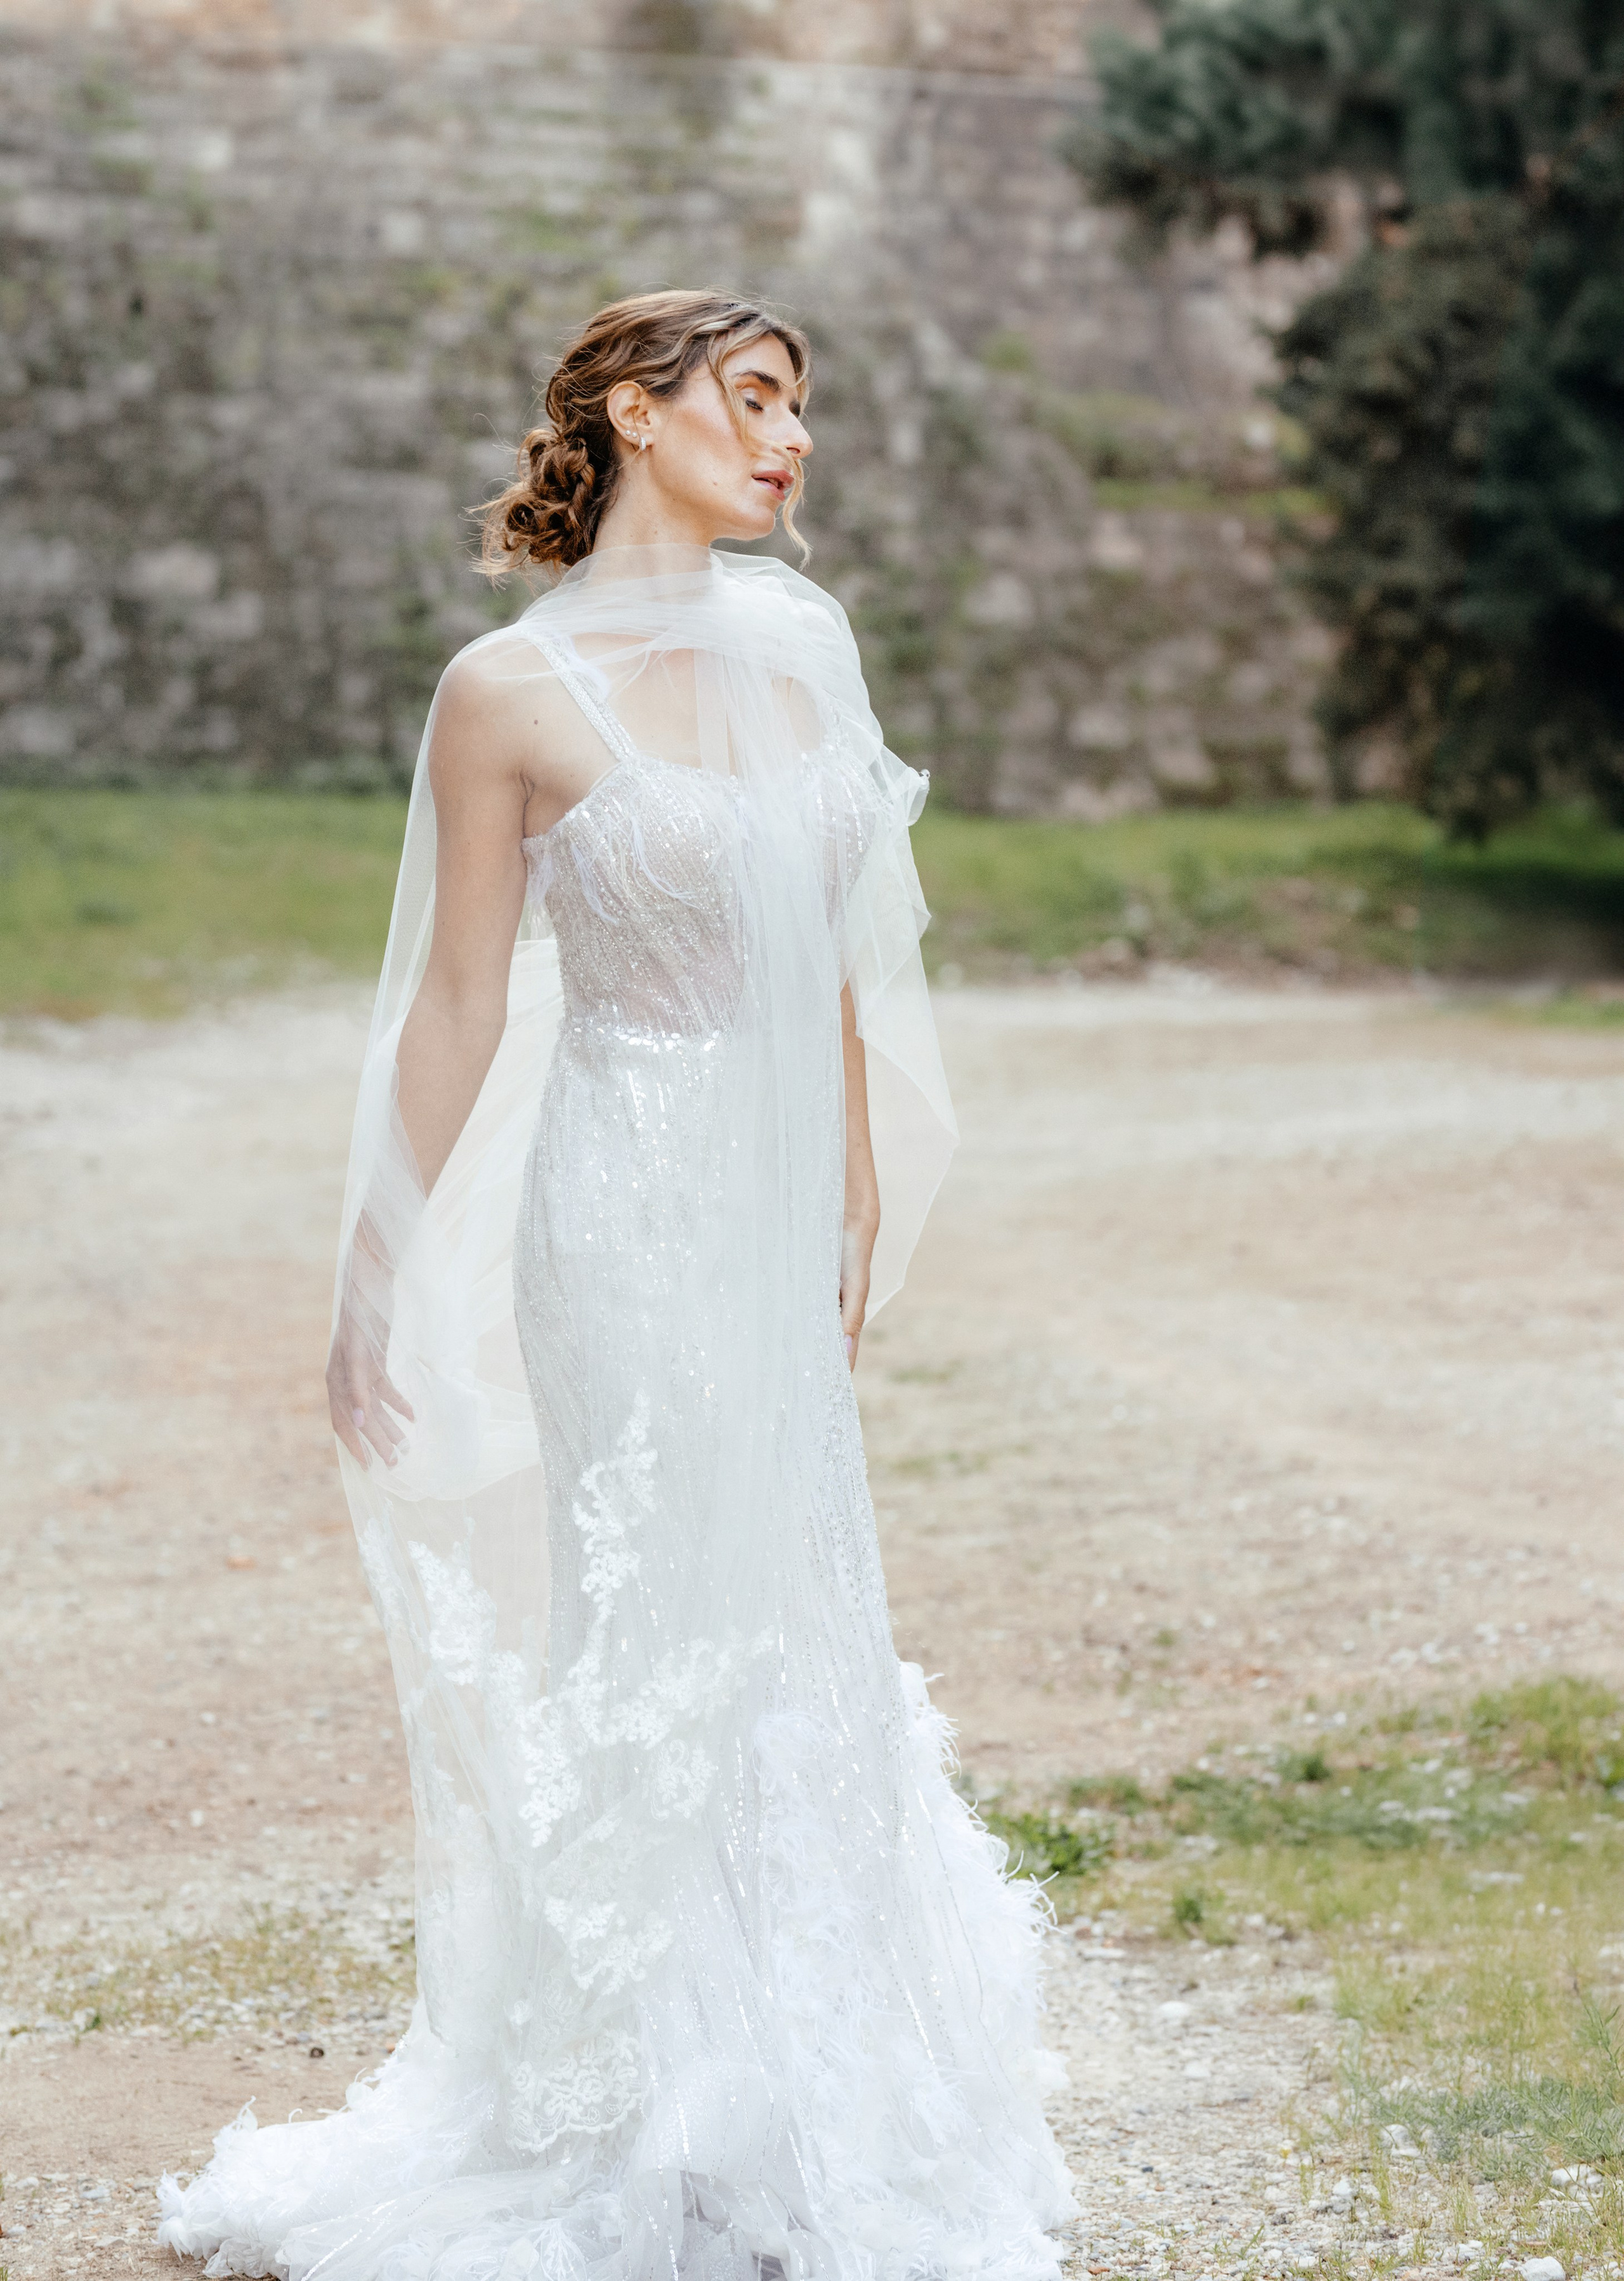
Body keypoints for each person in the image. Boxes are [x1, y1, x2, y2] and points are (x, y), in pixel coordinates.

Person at [158, 289, 1075, 2281]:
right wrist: (372, 1266)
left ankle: (815, 2076)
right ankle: (650, 2102)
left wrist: (849, 1169)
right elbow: (458, 1005)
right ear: (638, 415)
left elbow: (839, 933)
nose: (792, 438)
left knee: (805, 1605)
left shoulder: (806, 643)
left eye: (801, 407)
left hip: (772, 1209)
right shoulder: (505, 690)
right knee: (666, 1618)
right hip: (627, 1204)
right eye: (757, 398)